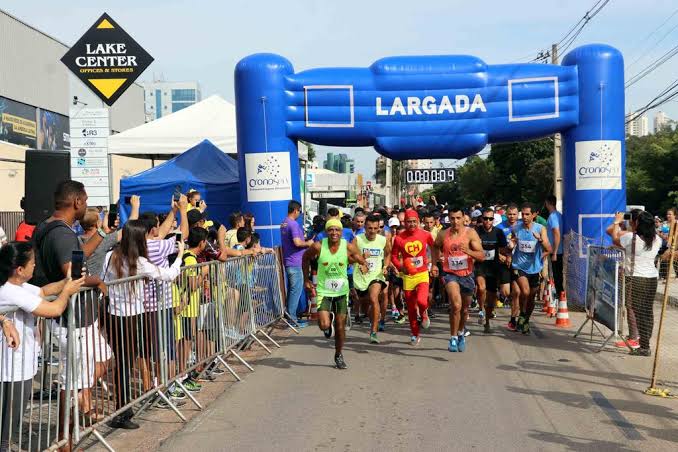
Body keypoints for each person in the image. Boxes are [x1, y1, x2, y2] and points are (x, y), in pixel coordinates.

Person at [0, 242, 84, 451]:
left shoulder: (17, 286)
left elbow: (43, 292)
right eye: (33, 263)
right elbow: (54, 308)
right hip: (11, 368)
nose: (35, 266)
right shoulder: (10, 291)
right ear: (19, 269)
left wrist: (68, 280)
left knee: (12, 424)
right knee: (7, 428)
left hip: (21, 365)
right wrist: (67, 292)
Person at [102, 219, 184, 429]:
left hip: (113, 314)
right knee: (126, 363)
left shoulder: (110, 256)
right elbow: (168, 275)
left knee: (124, 362)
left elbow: (102, 280)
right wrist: (180, 255)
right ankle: (123, 411)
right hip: (129, 317)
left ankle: (123, 408)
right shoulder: (138, 261)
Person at [302, 219, 367, 369]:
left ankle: (338, 354)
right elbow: (305, 258)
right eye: (330, 230)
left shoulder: (348, 246)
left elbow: (359, 259)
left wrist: (362, 264)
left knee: (340, 326)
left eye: (337, 230)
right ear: (326, 232)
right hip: (324, 291)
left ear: (341, 232)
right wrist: (306, 279)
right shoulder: (319, 246)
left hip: (341, 292)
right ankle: (328, 320)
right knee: (324, 325)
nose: (334, 233)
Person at [607, 210, 662, 356]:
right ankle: (645, 344)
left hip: (636, 278)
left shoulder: (631, 238)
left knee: (638, 312)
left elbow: (614, 238)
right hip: (651, 279)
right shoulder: (657, 240)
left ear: (637, 223)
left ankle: (644, 346)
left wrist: (617, 222)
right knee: (647, 312)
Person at [433, 207, 485, 352]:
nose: (455, 221)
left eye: (458, 218)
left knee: (465, 309)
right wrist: (435, 264)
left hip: (467, 275)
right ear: (448, 219)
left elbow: (481, 256)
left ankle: (461, 332)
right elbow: (435, 246)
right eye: (452, 218)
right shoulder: (443, 234)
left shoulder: (470, 233)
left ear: (463, 218)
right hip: (450, 274)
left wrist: (468, 251)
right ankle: (453, 338)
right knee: (456, 305)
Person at [391, 209, 435, 346]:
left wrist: (434, 264)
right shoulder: (399, 238)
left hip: (422, 274)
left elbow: (434, 249)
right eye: (408, 222)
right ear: (404, 222)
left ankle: (424, 313)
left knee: (422, 301)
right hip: (408, 277)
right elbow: (393, 256)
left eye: (414, 222)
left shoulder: (425, 235)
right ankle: (415, 334)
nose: (411, 224)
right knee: (410, 308)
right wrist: (401, 267)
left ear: (418, 222)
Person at [509, 203, 551, 335]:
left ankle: (525, 320)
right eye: (523, 214)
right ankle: (521, 313)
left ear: (534, 215)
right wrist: (511, 246)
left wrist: (540, 242)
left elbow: (548, 249)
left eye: (527, 214)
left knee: (532, 297)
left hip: (534, 268)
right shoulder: (516, 228)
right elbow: (512, 242)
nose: (525, 217)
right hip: (519, 266)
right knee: (525, 292)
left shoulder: (540, 229)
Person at [353, 214, 391, 344]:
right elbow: (349, 258)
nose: (373, 231)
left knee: (374, 298)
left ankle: (373, 332)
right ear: (365, 227)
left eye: (376, 228)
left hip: (376, 276)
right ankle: (371, 316)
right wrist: (361, 258)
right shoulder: (357, 240)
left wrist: (385, 266)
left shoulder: (383, 240)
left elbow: (388, 254)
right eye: (370, 228)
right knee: (365, 306)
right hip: (361, 277)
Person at [281, 201, 314, 328]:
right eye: (300, 211)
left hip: (290, 261)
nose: (300, 214)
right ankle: (292, 320)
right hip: (295, 262)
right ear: (296, 210)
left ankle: (291, 317)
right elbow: (297, 243)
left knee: (292, 291)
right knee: (295, 291)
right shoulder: (293, 224)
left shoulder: (284, 223)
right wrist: (308, 243)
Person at [475, 208, 508, 333]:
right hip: (480, 265)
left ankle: (487, 322)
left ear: (493, 219)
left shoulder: (498, 232)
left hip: (493, 268)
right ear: (481, 219)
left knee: (491, 298)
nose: (487, 221)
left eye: (490, 218)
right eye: (485, 218)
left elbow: (504, 248)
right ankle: (481, 309)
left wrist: (505, 253)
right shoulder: (476, 231)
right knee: (481, 287)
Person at [498, 204, 521, 315]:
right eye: (510, 214)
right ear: (506, 215)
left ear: (518, 215)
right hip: (503, 263)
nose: (512, 216)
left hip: (517, 263)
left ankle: (513, 319)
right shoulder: (499, 227)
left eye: (514, 214)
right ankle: (501, 294)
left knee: (516, 292)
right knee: (507, 292)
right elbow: (493, 245)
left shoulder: (522, 226)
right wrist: (499, 255)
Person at [544, 195, 564, 296]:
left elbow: (556, 233)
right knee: (558, 276)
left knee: (557, 276)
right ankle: (560, 297)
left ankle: (560, 299)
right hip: (558, 250)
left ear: (547, 203)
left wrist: (555, 252)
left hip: (556, 251)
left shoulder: (552, 217)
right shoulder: (559, 215)